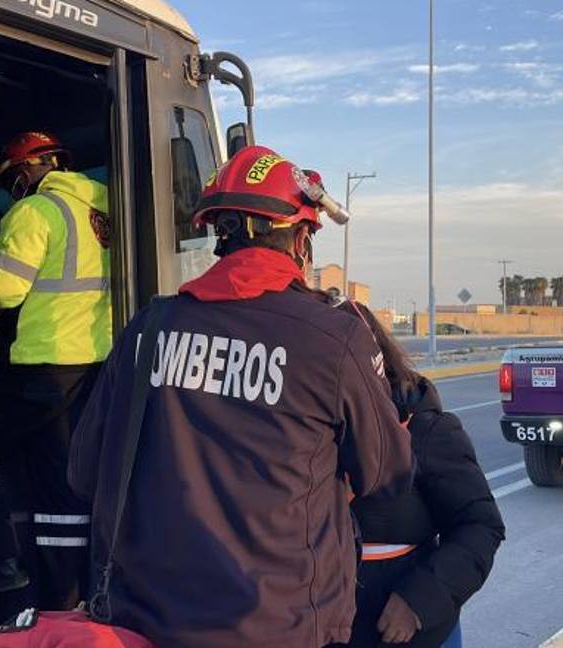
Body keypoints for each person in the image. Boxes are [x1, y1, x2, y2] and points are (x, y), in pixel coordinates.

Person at [68, 145, 414, 648]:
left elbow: (84, 473)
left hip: (145, 623)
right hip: (280, 627)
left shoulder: (149, 326)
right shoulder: (333, 338)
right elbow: (387, 476)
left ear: (220, 237)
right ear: (300, 237)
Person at [0, 131, 112, 611]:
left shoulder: (37, 211)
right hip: (90, 366)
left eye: (13, 178)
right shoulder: (99, 212)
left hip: (41, 365)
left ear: (29, 169)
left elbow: (3, 290)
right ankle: (65, 598)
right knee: (61, 484)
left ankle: (0, 560)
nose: (15, 188)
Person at [341, 302, 505, 648]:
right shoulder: (304, 435)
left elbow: (480, 526)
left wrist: (420, 600)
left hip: (409, 633)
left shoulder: (428, 430)